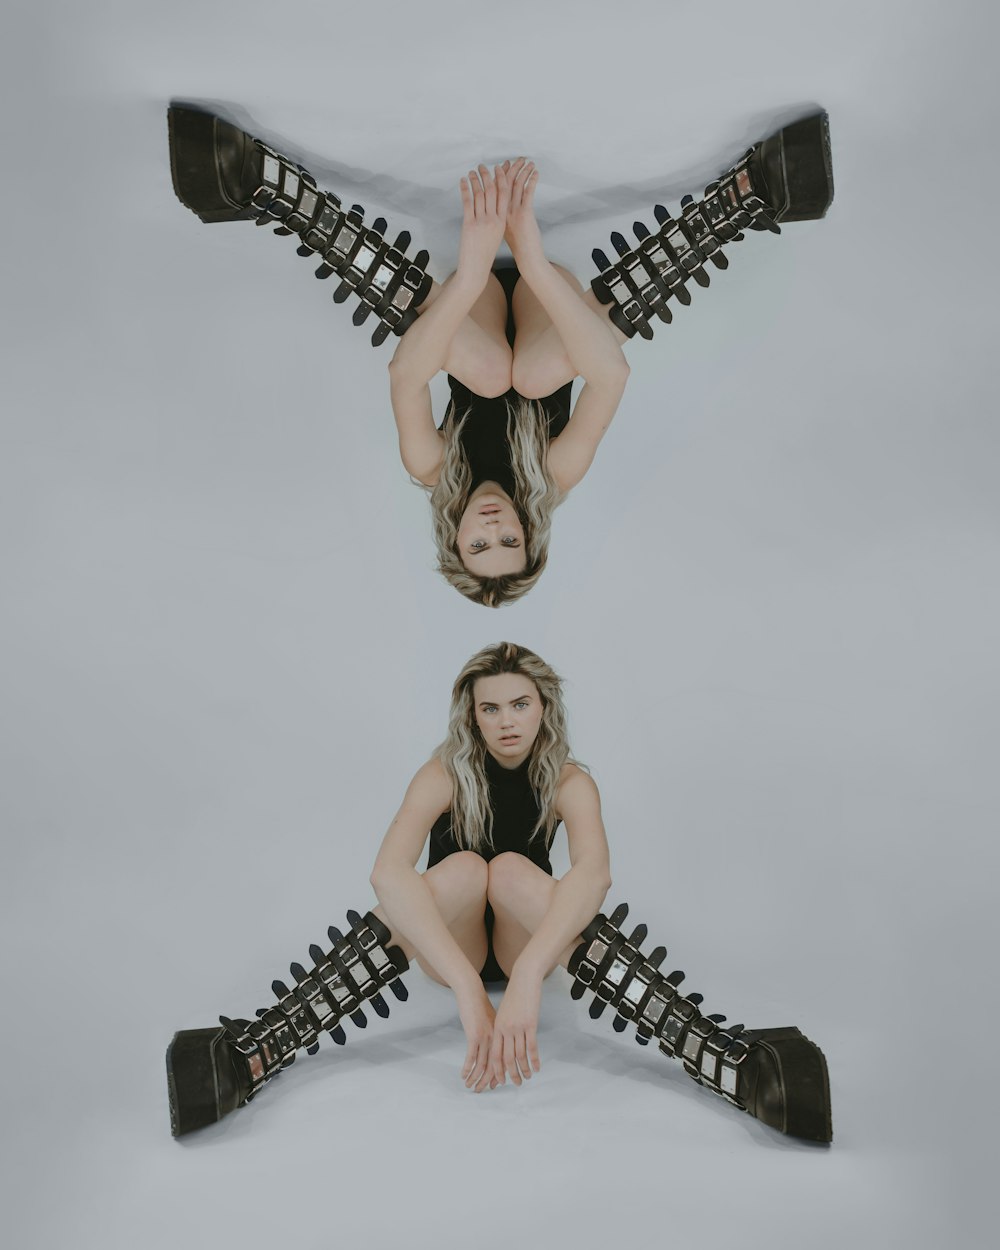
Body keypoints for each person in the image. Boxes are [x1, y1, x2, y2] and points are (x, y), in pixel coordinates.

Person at [166, 642, 832, 1141]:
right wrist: (463, 986)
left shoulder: (571, 781)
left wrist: (528, 979)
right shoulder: (442, 773)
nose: (507, 721)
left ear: (544, 707)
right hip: (448, 943)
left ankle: (723, 1059)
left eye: (520, 704)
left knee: (511, 869)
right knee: (462, 872)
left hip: (523, 948)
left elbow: (594, 875)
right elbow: (388, 874)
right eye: (491, 708)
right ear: (472, 715)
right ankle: (258, 1048)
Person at [387, 161, 632, 606]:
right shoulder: (559, 473)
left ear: (454, 538)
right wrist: (532, 261)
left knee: (491, 374)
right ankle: (735, 210)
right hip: (551, 308)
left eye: (479, 545)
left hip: (475, 310)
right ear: (528, 534)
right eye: (509, 542)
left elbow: (404, 376)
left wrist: (472, 274)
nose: (493, 528)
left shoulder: (430, 466)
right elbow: (612, 376)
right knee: (534, 377)